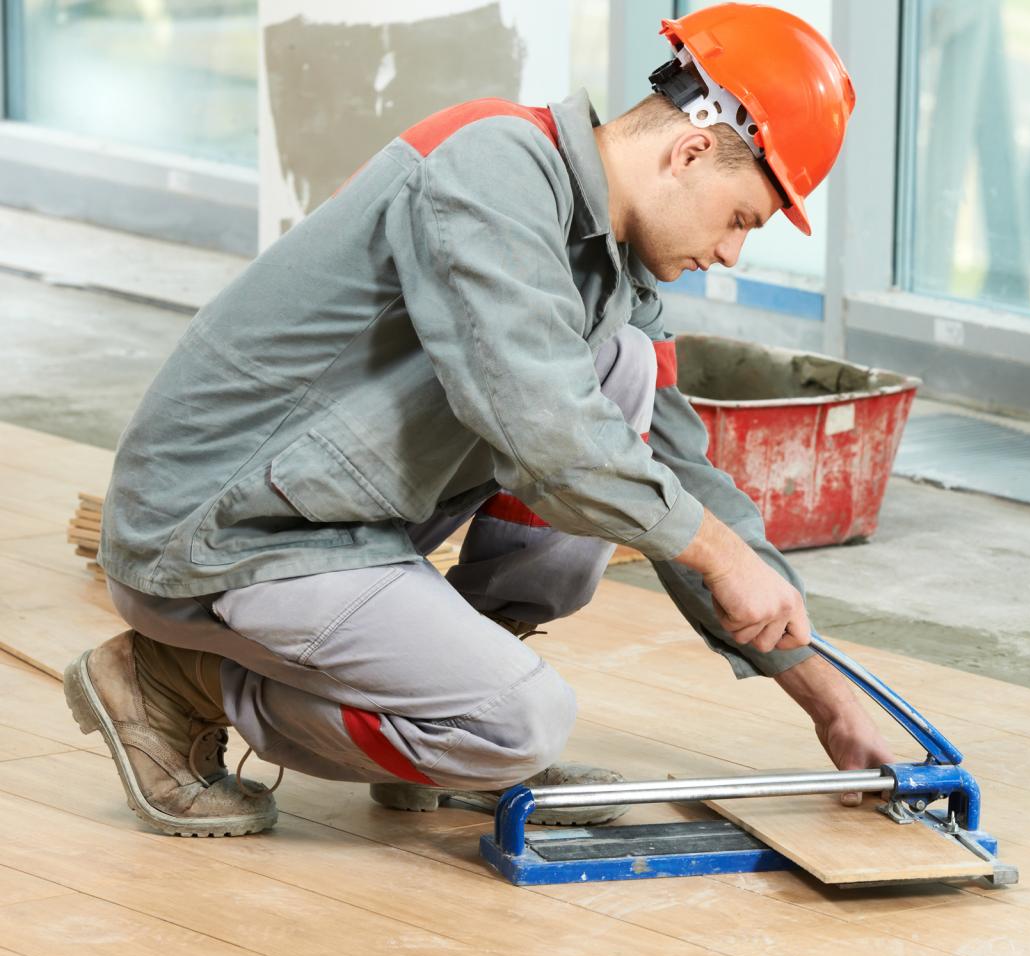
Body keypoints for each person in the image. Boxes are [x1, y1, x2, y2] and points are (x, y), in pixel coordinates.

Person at [65, 3, 891, 838]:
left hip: (331, 518)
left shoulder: (614, 274)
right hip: (223, 535)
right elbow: (548, 431)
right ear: (687, 152)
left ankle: (440, 703)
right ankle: (173, 683)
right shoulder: (489, 166)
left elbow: (682, 471)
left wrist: (826, 698)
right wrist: (711, 549)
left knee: (625, 371)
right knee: (519, 723)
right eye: (742, 219)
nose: (730, 255)